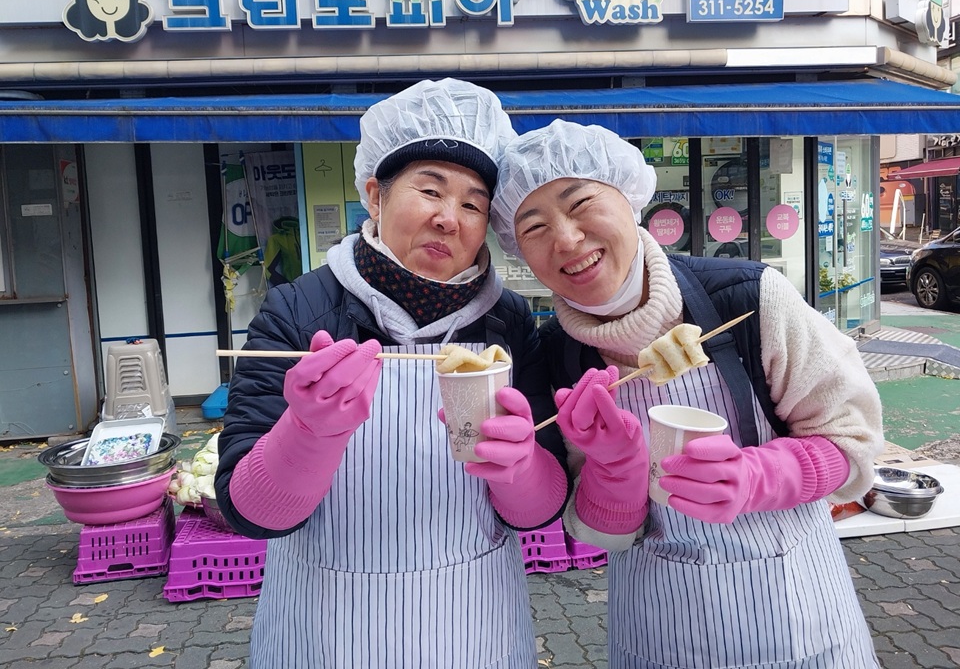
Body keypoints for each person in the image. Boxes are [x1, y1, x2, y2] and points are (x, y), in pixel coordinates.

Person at [489, 119, 885, 668]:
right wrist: (615, 467)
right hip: (659, 632)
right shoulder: (560, 355)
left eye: (581, 203)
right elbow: (603, 533)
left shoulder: (748, 298)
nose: (567, 239)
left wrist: (758, 476)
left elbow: (852, 443)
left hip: (802, 624)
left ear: (630, 199)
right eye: (533, 227)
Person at [215, 79, 570, 668]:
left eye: (473, 204)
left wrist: (521, 465)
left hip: (473, 626)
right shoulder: (298, 312)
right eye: (429, 190)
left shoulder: (508, 322)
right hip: (325, 631)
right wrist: (308, 433)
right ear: (375, 196)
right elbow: (249, 512)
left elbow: (537, 512)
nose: (449, 219)